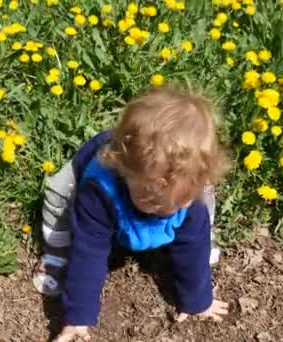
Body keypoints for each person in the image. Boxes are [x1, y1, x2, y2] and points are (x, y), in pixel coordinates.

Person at [32, 85, 231, 341]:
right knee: (59, 197)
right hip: (88, 196)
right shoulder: (99, 194)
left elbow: (192, 247)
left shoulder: (187, 196)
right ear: (122, 170)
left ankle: (176, 226)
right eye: (152, 200)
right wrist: (78, 317)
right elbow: (89, 254)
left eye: (180, 201)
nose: (169, 210)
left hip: (177, 192)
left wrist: (198, 300)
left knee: (198, 228)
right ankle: (56, 252)